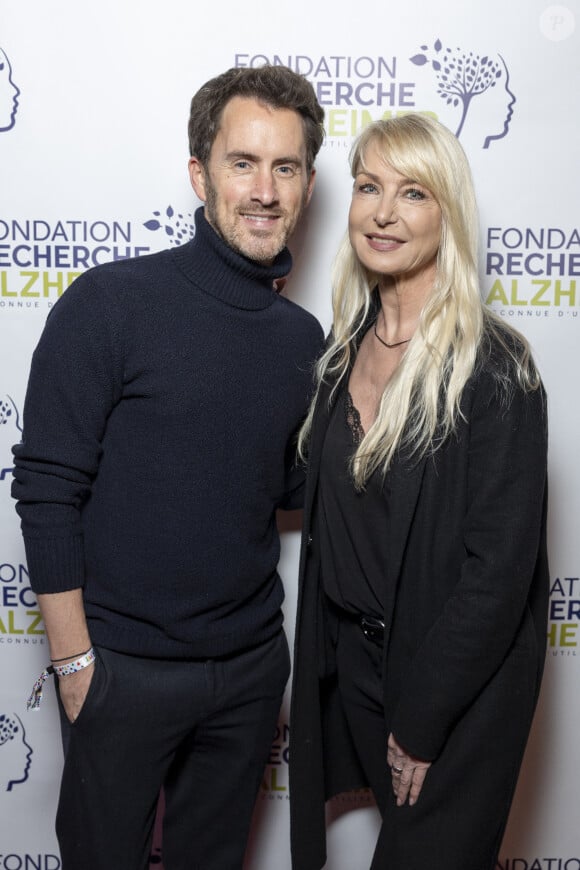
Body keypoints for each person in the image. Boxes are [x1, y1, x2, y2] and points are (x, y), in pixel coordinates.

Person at [12, 64, 325, 870]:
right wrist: (77, 664)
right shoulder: (110, 303)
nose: (264, 189)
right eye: (242, 163)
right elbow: (47, 491)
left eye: (285, 167)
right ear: (199, 174)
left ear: (308, 187)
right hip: (121, 671)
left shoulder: (303, 342)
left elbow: (286, 490)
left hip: (252, 673)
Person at [289, 114, 549, 870]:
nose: (383, 212)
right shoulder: (342, 355)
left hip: (452, 692)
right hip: (361, 676)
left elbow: (497, 574)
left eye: (413, 193)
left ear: (448, 212)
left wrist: (425, 721)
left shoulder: (495, 368)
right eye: (369, 187)